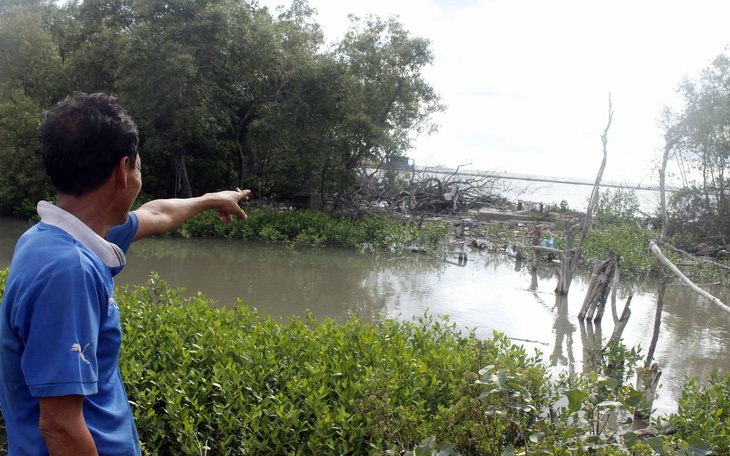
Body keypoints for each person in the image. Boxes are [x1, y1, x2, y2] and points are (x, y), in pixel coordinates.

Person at [0, 92, 250, 455]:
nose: (138, 178)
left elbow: (157, 214)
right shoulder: (68, 271)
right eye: (138, 168)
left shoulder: (53, 238)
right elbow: (59, 428)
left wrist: (211, 199)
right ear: (122, 171)